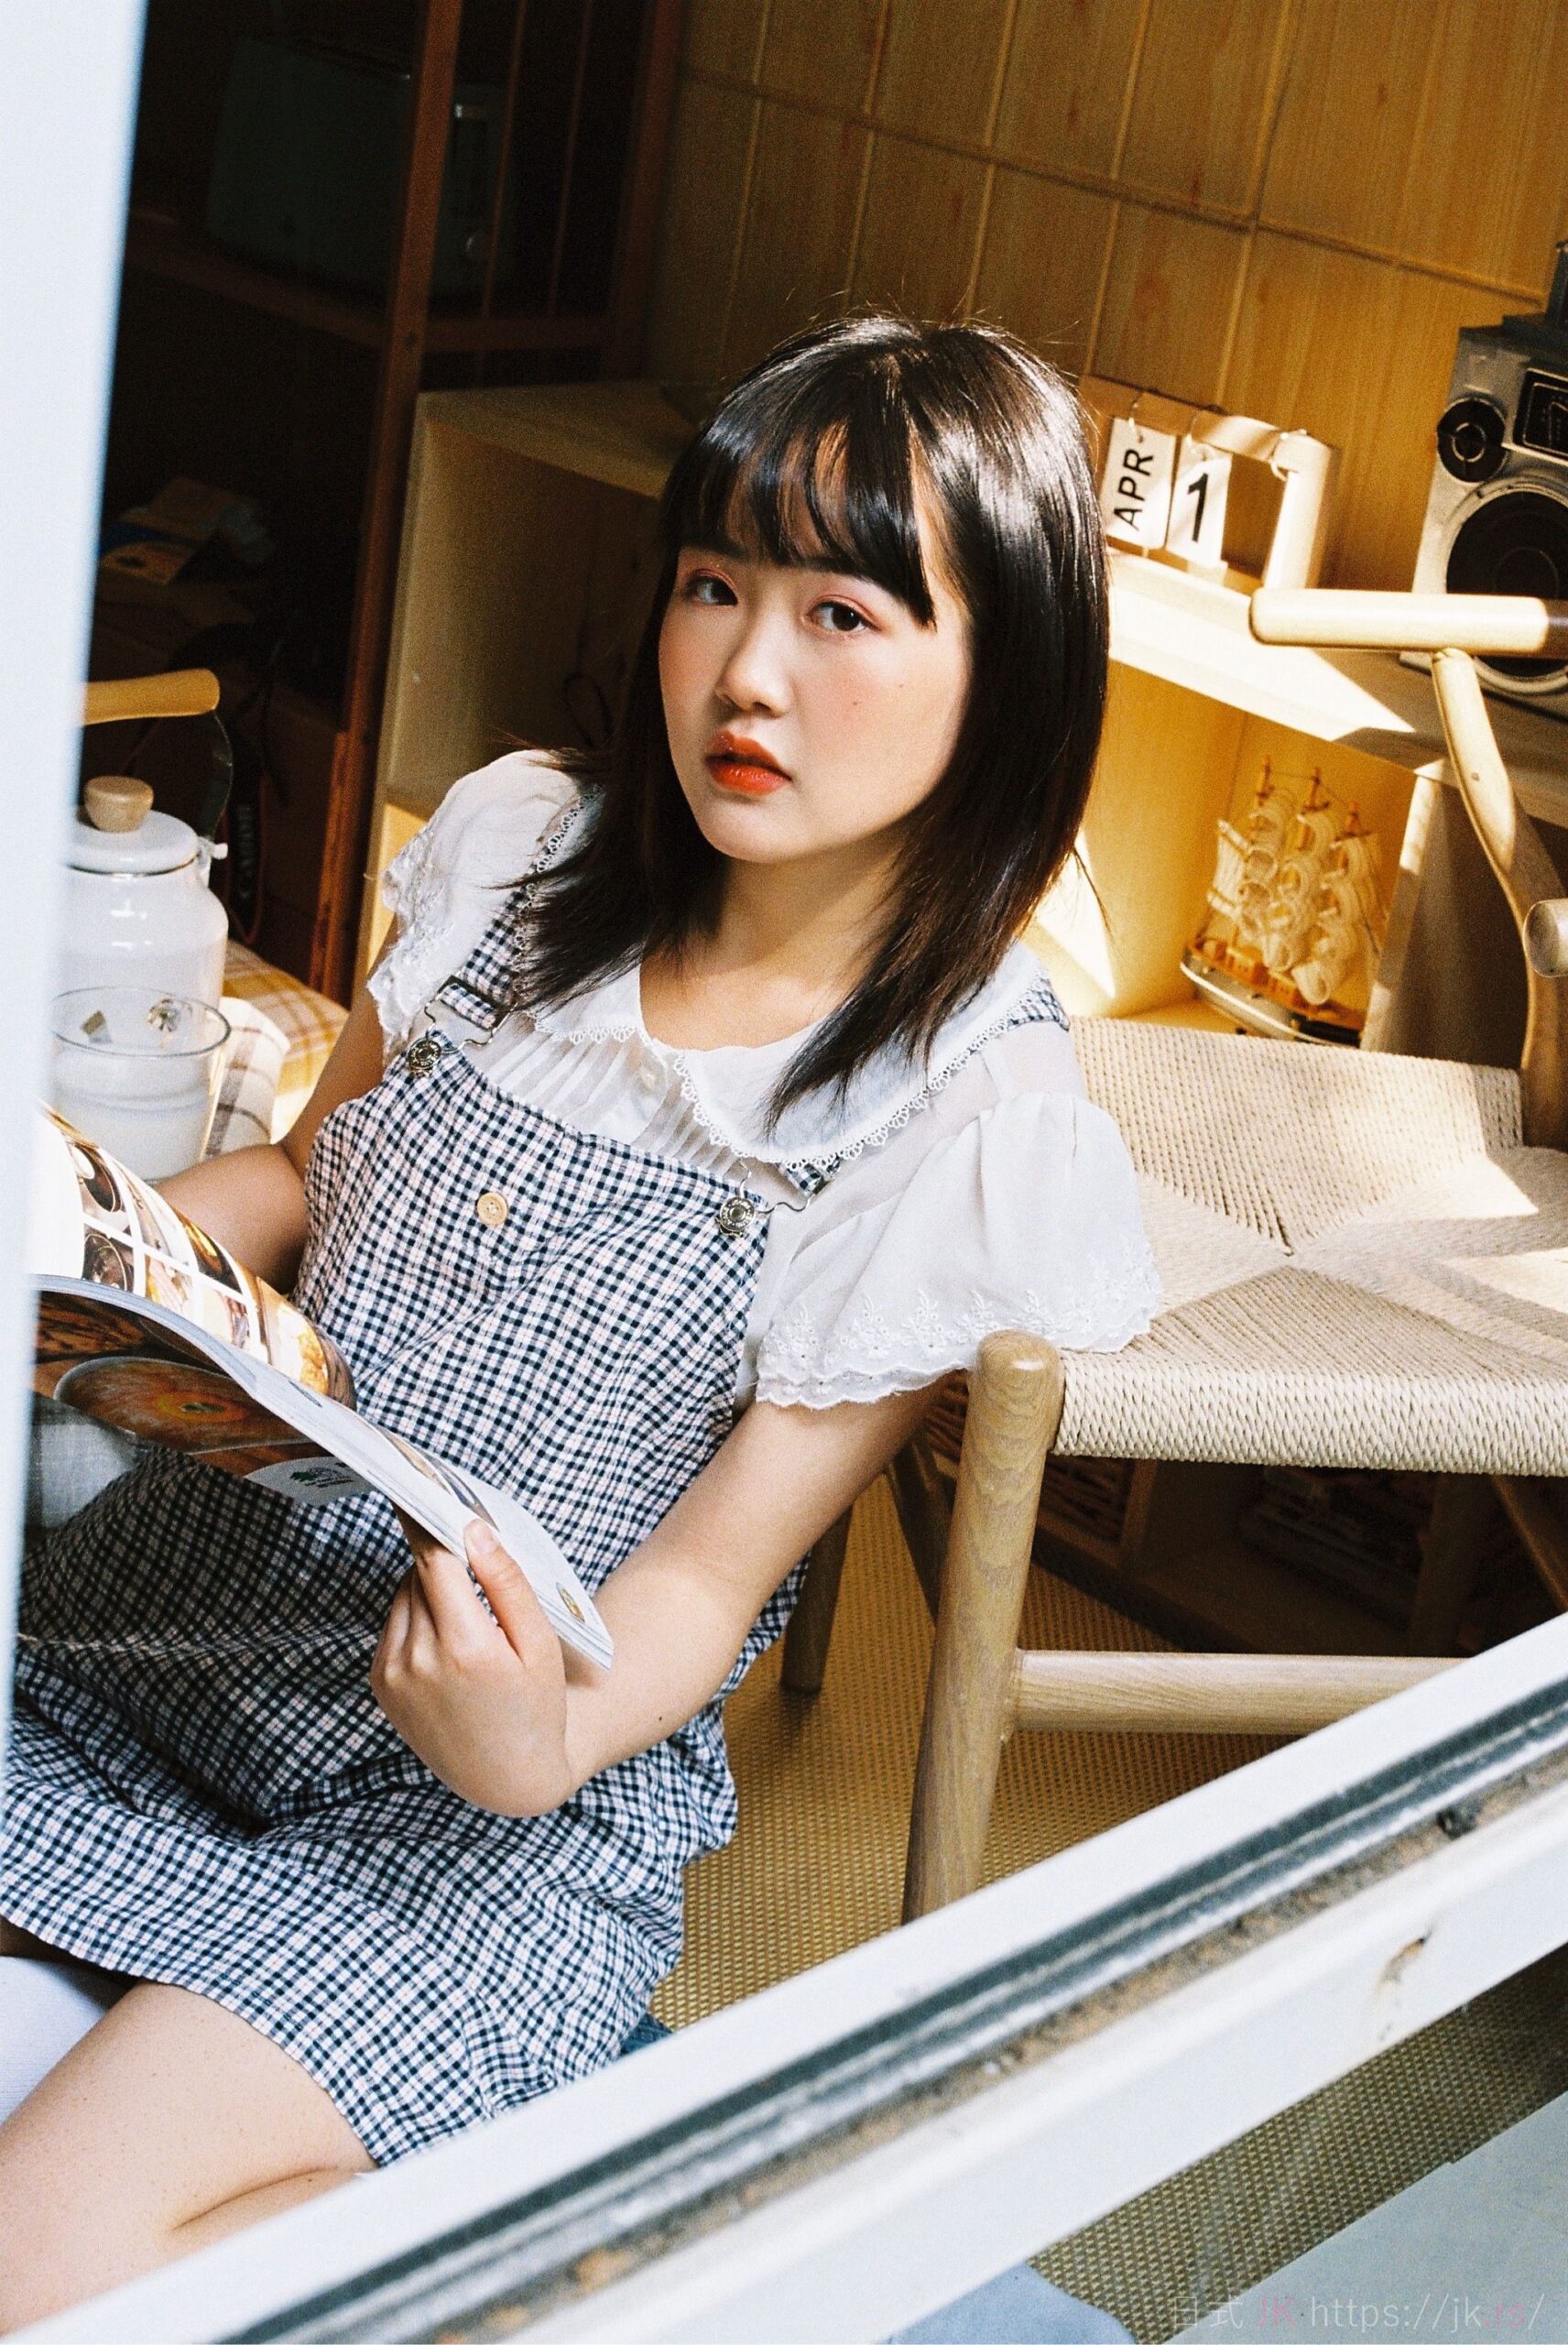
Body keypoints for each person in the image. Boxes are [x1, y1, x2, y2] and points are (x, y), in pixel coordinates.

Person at [0, 314, 1159, 2322]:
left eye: (843, 613)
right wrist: (93, 1248)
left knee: (43, 2273)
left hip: (467, 1809)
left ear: (1011, 673)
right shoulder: (523, 847)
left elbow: (706, 1586)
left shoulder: (962, 1107)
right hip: (154, 1633)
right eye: (714, 584)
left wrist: (535, 1742)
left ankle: (611, 2264)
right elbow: (310, 1180)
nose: (747, 672)